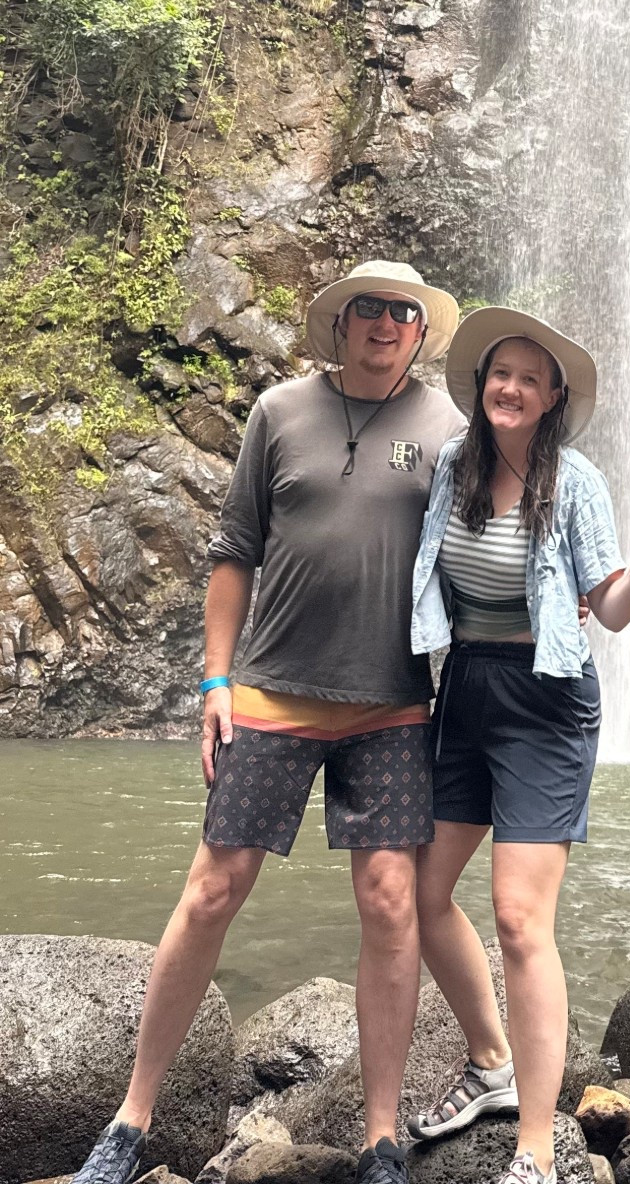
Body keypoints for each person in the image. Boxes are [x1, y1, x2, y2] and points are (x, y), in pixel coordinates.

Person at [72, 260, 462, 1184]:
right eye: (368, 307)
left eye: (403, 313)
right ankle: (130, 1122)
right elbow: (234, 551)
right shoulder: (278, 412)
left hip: (395, 706)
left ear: (418, 332)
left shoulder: (450, 428)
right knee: (213, 890)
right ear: (342, 323)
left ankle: (379, 1137)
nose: (385, 323)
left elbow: (498, 532)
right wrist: (215, 683)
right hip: (273, 694)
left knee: (390, 903)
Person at [406, 306, 630, 1184]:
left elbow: (604, 609)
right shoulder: (451, 472)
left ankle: (536, 1144)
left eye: (531, 379)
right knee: (421, 895)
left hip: (545, 701)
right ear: (482, 385)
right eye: (502, 374)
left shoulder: (574, 482)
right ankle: (490, 1064)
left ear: (552, 397)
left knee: (520, 921)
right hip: (462, 691)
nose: (512, 388)